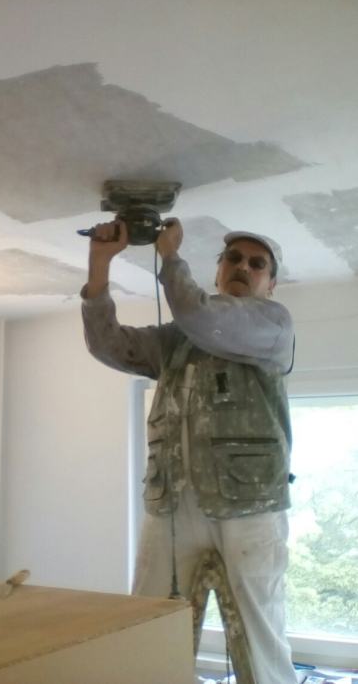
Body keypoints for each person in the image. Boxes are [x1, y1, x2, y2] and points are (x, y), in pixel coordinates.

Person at [81, 217, 298, 684]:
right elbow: (107, 343)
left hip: (249, 507)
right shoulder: (180, 337)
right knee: (147, 631)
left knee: (260, 639)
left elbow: (206, 320)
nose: (243, 267)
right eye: (233, 259)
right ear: (218, 270)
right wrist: (99, 265)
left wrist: (170, 256)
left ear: (271, 284)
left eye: (257, 264)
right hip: (172, 504)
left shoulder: (274, 324)